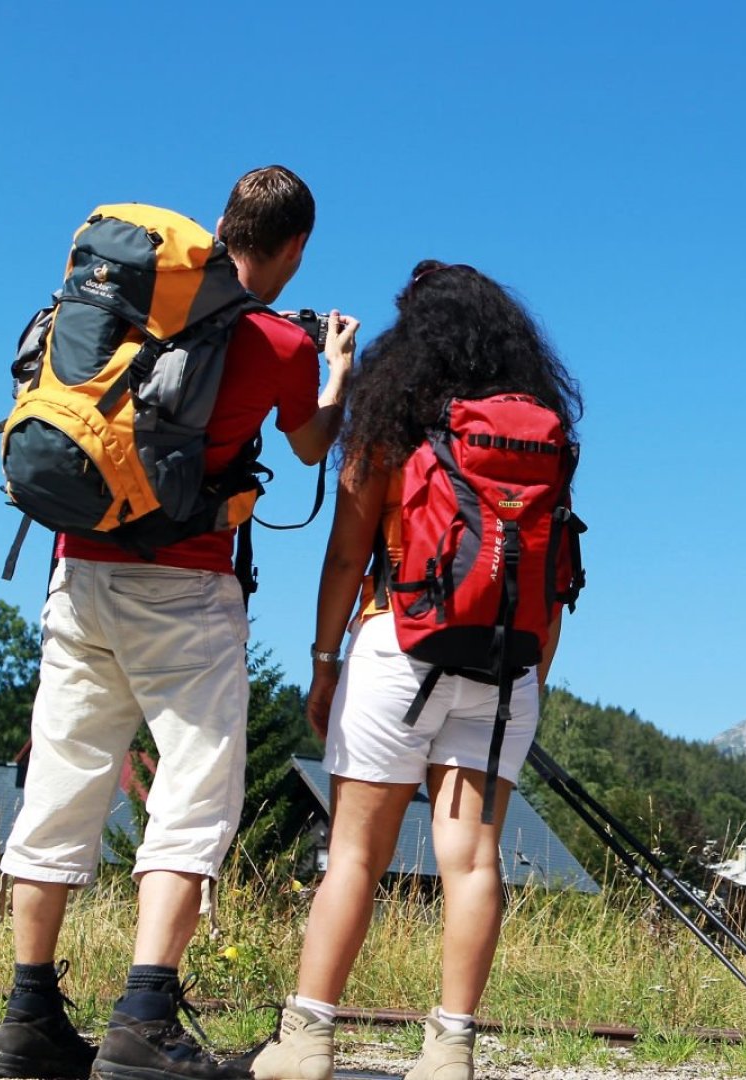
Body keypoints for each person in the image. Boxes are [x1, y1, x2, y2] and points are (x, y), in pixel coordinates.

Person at [0, 165, 359, 1080]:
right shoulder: (276, 340)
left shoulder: (118, 311)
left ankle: (27, 1015)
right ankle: (143, 1018)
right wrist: (337, 371)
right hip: (186, 592)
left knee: (63, 787)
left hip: (77, 574)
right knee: (192, 797)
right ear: (296, 246)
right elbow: (311, 443)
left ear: (223, 224)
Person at [248, 261, 582, 1080]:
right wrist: (528, 679)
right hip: (508, 669)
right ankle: (451, 1049)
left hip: (397, 645)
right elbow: (554, 577)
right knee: (472, 856)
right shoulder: (539, 434)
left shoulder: (394, 421)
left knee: (356, 852)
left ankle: (309, 1038)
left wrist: (324, 664)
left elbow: (344, 556)